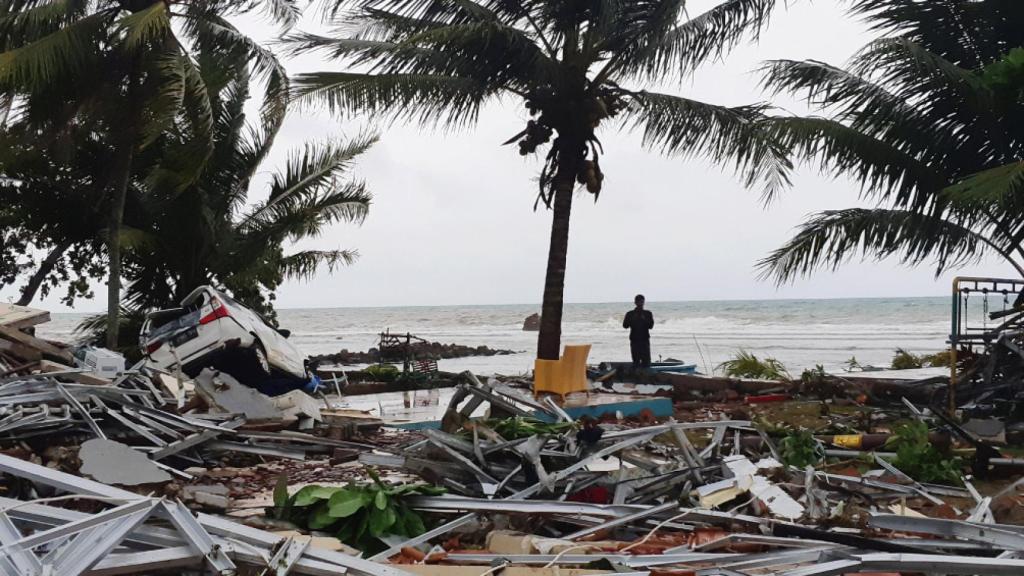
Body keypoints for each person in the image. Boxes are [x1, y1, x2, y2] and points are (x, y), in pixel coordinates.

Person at [623, 294, 654, 369]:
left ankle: (646, 378)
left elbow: (651, 326)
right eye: (638, 302)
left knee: (646, 362)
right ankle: (637, 378)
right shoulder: (630, 314)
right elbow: (625, 326)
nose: (640, 304)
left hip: (644, 340)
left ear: (644, 302)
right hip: (634, 340)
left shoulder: (648, 313)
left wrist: (644, 319)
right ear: (635, 303)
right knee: (636, 361)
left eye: (642, 302)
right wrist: (632, 319)